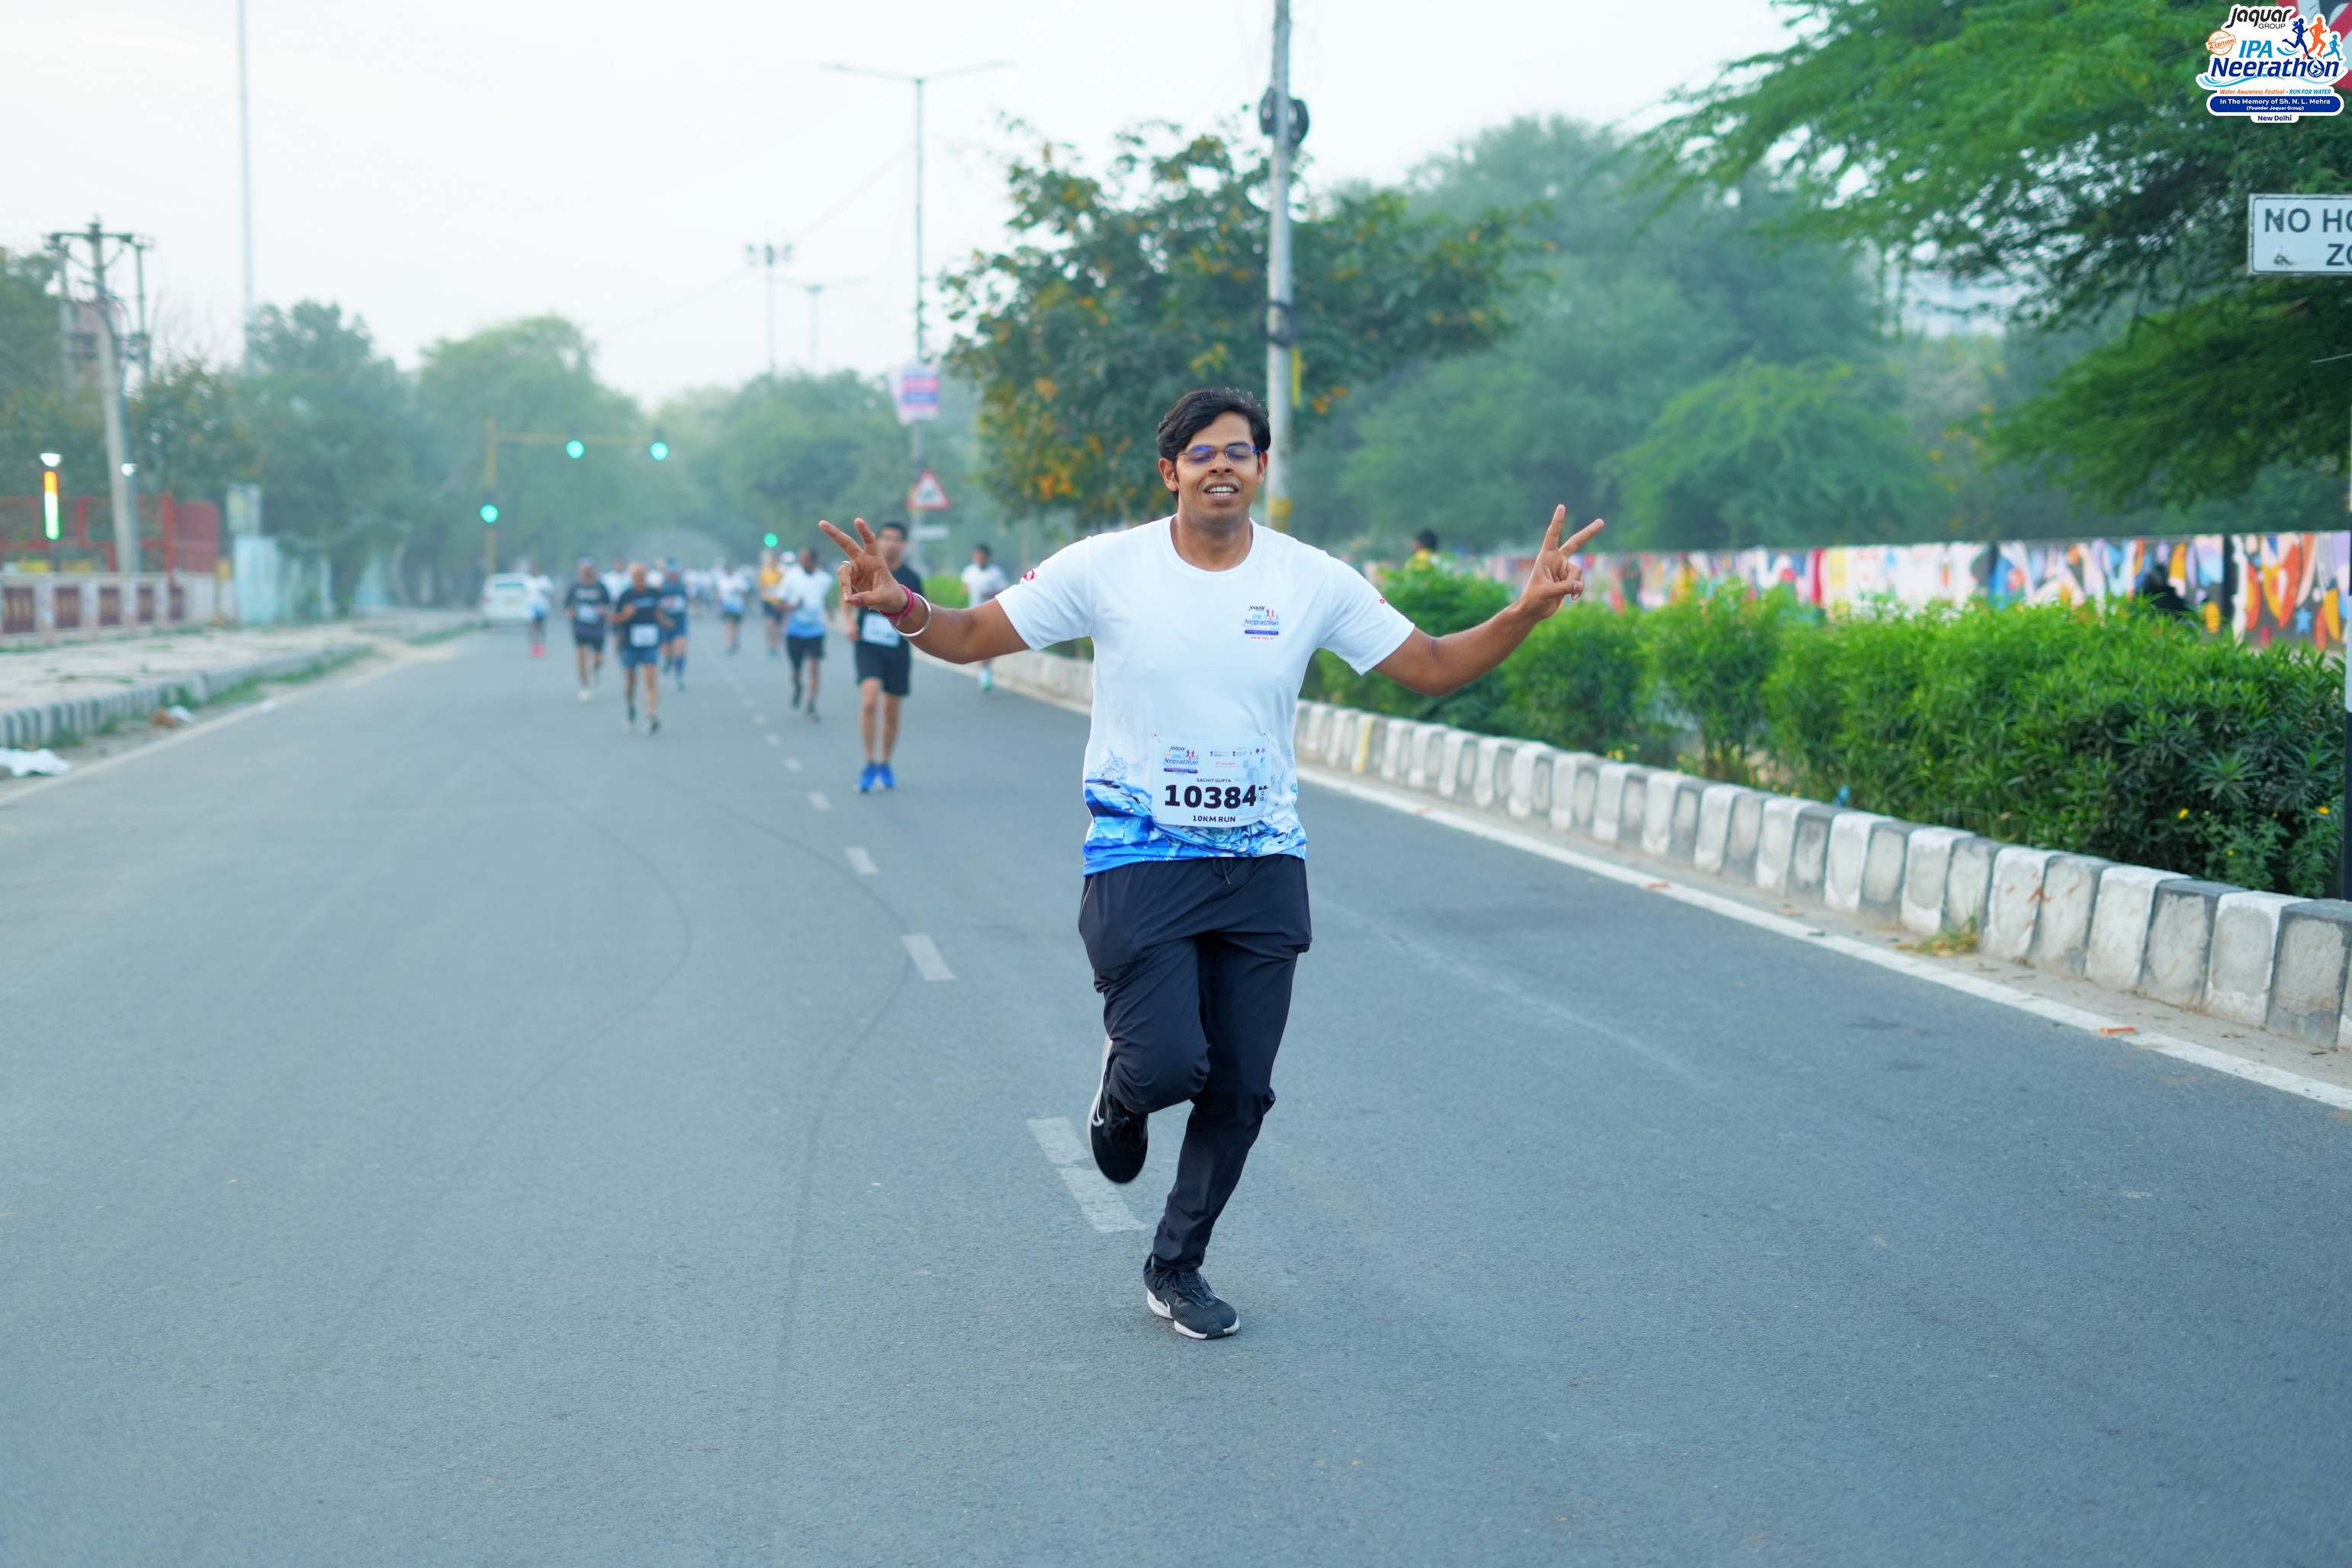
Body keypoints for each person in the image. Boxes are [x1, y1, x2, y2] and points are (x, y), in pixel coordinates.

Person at [820, 387, 1600, 1340]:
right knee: (1166, 1065)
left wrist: (1524, 612)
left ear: (1261, 468)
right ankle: (1123, 1090)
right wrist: (901, 605)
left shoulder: (1309, 578)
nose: (1221, 465)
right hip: (1140, 856)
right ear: (1170, 472)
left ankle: (1176, 1263)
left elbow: (1432, 664)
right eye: (1201, 453)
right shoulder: (1108, 567)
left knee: (1239, 1086)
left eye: (1238, 451)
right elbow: (976, 634)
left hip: (1263, 861)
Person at [839, 522, 924, 792]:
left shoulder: (911, 577)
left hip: (897, 649)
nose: (891, 543)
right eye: (887, 538)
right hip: (868, 646)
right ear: (879, 541)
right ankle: (869, 762)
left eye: (897, 539)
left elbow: (921, 613)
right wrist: (848, 622)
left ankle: (885, 762)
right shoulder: (867, 571)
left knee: (891, 712)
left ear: (904, 544)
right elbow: (846, 593)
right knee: (869, 702)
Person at [611, 561, 667, 734]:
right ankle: (631, 705)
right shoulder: (626, 596)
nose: (640, 580)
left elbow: (661, 613)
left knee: (651, 679)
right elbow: (613, 618)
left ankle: (651, 716)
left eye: (642, 576)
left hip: (650, 643)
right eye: (636, 577)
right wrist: (625, 615)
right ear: (632, 578)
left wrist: (664, 624)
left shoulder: (654, 593)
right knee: (631, 681)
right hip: (630, 644)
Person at [782, 546, 831, 718]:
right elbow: (780, 603)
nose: (801, 561)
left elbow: (824, 598)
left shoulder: (824, 579)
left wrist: (831, 613)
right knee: (796, 669)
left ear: (813, 561)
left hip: (816, 631)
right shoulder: (791, 577)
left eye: (805, 558)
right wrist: (793, 606)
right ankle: (798, 686)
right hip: (795, 631)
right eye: (800, 558)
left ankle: (811, 703)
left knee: (815, 668)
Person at [959, 543, 1010, 691]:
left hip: (991, 614)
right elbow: (964, 589)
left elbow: (1003, 591)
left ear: (988, 558)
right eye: (977, 556)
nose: (979, 559)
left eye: (982, 557)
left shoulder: (996, 573)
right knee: (979, 644)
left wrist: (988, 593)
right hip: (973, 613)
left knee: (989, 644)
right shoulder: (969, 571)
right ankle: (984, 669)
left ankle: (985, 669)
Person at [561, 557, 612, 699]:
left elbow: (609, 605)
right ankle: (584, 684)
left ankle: (594, 670)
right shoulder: (575, 587)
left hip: (597, 626)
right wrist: (570, 612)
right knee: (581, 655)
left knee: (598, 659)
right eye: (584, 570)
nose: (587, 573)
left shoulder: (601, 587)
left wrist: (604, 611)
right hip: (580, 626)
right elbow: (567, 605)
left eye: (589, 570)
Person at [657, 557, 691, 691]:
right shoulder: (661, 588)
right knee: (668, 651)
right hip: (665, 623)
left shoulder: (682, 587)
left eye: (675, 573)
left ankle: (678, 676)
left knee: (681, 648)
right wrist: (665, 620)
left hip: (679, 623)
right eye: (670, 573)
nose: (673, 575)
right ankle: (668, 660)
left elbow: (688, 601)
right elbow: (657, 608)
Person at [759, 549, 788, 657]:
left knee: (778, 626)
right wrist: (765, 595)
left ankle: (777, 647)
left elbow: (786, 586)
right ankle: (771, 646)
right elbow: (762, 586)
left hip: (779, 602)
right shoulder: (765, 571)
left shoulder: (782, 571)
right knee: (770, 624)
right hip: (768, 601)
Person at [718, 563, 748, 654]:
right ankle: (730, 645)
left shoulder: (739, 578)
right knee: (729, 624)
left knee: (737, 625)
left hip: (738, 606)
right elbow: (720, 593)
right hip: (727, 606)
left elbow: (745, 590)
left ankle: (735, 640)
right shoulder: (722, 580)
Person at [524, 567, 553, 657]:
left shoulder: (544, 580)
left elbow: (550, 591)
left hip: (542, 607)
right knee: (533, 627)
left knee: (542, 627)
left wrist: (543, 591)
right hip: (532, 607)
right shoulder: (529, 581)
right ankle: (533, 646)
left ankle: (542, 646)